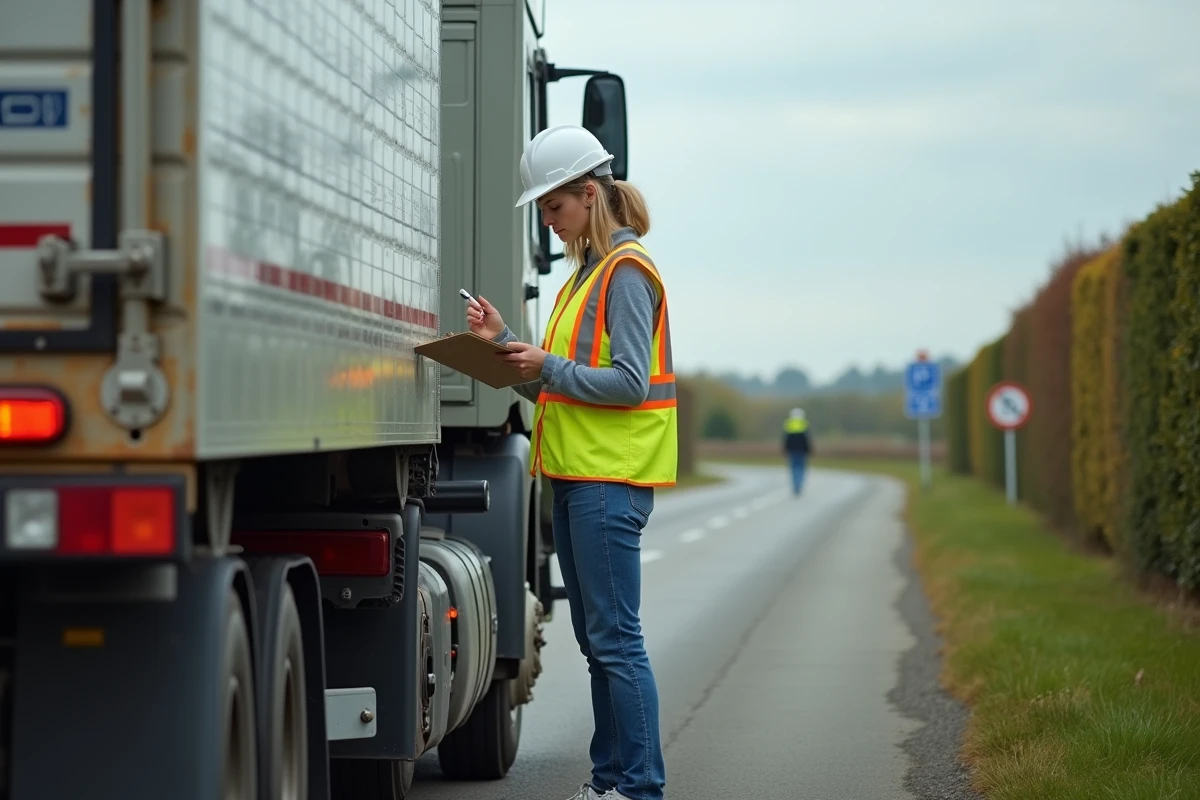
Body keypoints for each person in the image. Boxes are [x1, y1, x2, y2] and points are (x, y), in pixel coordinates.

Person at [464, 124, 673, 800]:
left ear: (589, 194)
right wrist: (502, 342)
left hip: (609, 482)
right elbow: (558, 384)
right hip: (578, 480)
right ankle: (610, 782)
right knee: (598, 643)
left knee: (616, 642)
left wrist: (547, 365)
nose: (548, 222)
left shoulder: (626, 273)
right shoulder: (584, 277)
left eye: (553, 207)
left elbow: (629, 383)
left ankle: (639, 788)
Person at [782, 407, 813, 496]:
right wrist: (809, 450)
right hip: (802, 451)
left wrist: (785, 450)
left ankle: (795, 486)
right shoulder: (804, 424)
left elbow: (786, 439)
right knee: (801, 469)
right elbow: (806, 439)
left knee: (794, 469)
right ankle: (799, 485)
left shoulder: (789, 424)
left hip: (792, 451)